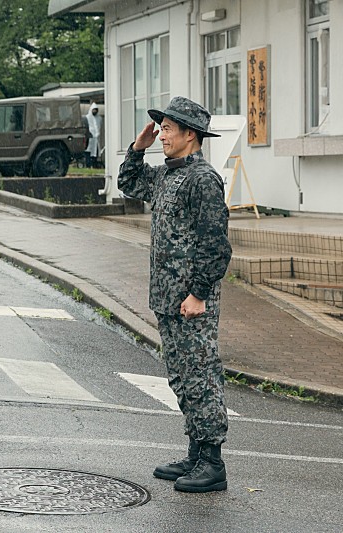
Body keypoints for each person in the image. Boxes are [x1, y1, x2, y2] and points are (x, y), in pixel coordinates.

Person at [117, 96, 232, 493]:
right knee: (182, 377)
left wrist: (199, 293)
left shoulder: (203, 179)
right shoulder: (168, 175)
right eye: (161, 128)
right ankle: (195, 453)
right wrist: (138, 148)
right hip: (167, 298)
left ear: (190, 134)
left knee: (201, 375)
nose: (162, 134)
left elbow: (216, 244)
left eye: (167, 128)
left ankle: (212, 463)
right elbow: (129, 183)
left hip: (191, 302)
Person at [84, 102, 103, 168]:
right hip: (89, 137)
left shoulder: (99, 118)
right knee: (88, 151)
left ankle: (94, 165)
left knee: (95, 152)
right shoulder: (87, 117)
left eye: (96, 110)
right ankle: (88, 165)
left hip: (96, 138)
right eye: (93, 109)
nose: (95, 111)